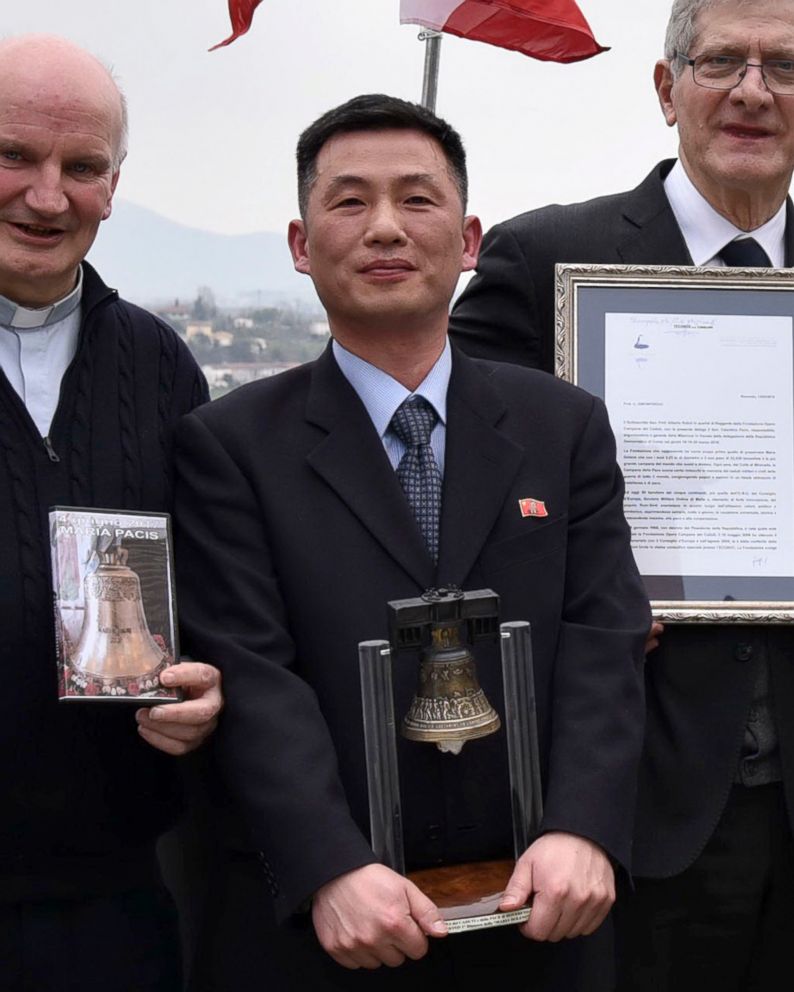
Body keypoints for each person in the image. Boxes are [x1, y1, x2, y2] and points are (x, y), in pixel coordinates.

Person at [173, 93, 648, 992]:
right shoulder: (230, 445)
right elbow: (255, 672)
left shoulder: (565, 426)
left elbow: (603, 638)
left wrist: (582, 828)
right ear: (300, 244)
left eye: (417, 199)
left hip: (541, 911)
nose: (385, 227)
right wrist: (325, 865)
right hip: (329, 928)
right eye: (349, 201)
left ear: (469, 241)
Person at [450, 1, 794, 988]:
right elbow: (444, 481)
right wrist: (575, 579)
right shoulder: (545, 261)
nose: (750, 92)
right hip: (623, 808)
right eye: (720, 60)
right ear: (663, 87)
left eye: (782, 66)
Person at [0, 35, 222, 991]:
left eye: (82, 167)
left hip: (115, 894)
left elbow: (213, 587)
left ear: (114, 183)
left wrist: (211, 692)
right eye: (13, 156)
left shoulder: (161, 365)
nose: (49, 197)